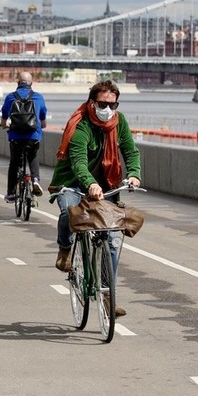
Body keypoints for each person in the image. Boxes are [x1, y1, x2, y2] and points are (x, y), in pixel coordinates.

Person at [48, 80, 141, 317]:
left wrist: (133, 174)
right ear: (92, 102)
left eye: (113, 103)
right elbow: (78, 162)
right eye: (103, 103)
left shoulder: (119, 123)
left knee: (111, 241)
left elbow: (130, 151)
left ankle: (109, 296)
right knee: (68, 213)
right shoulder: (81, 126)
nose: (108, 108)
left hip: (106, 185)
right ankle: (64, 250)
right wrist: (89, 183)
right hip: (73, 182)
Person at [0, 71, 47, 202]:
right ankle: (35, 179)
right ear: (31, 83)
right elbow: (43, 123)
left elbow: (4, 119)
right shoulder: (38, 97)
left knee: (14, 162)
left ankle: (11, 193)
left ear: (17, 82)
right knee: (33, 156)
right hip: (33, 136)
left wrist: (4, 125)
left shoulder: (10, 97)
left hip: (16, 136)